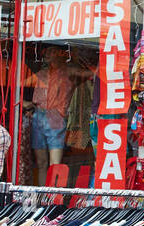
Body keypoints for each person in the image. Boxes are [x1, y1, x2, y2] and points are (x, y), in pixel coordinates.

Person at [24, 44, 93, 185]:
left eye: (52, 51)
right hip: (39, 115)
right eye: (47, 51)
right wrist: (25, 103)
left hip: (56, 117)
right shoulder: (42, 73)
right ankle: (43, 197)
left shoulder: (68, 71)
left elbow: (91, 74)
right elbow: (20, 84)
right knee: (41, 162)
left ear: (60, 54)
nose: (47, 54)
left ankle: (52, 198)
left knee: (54, 164)